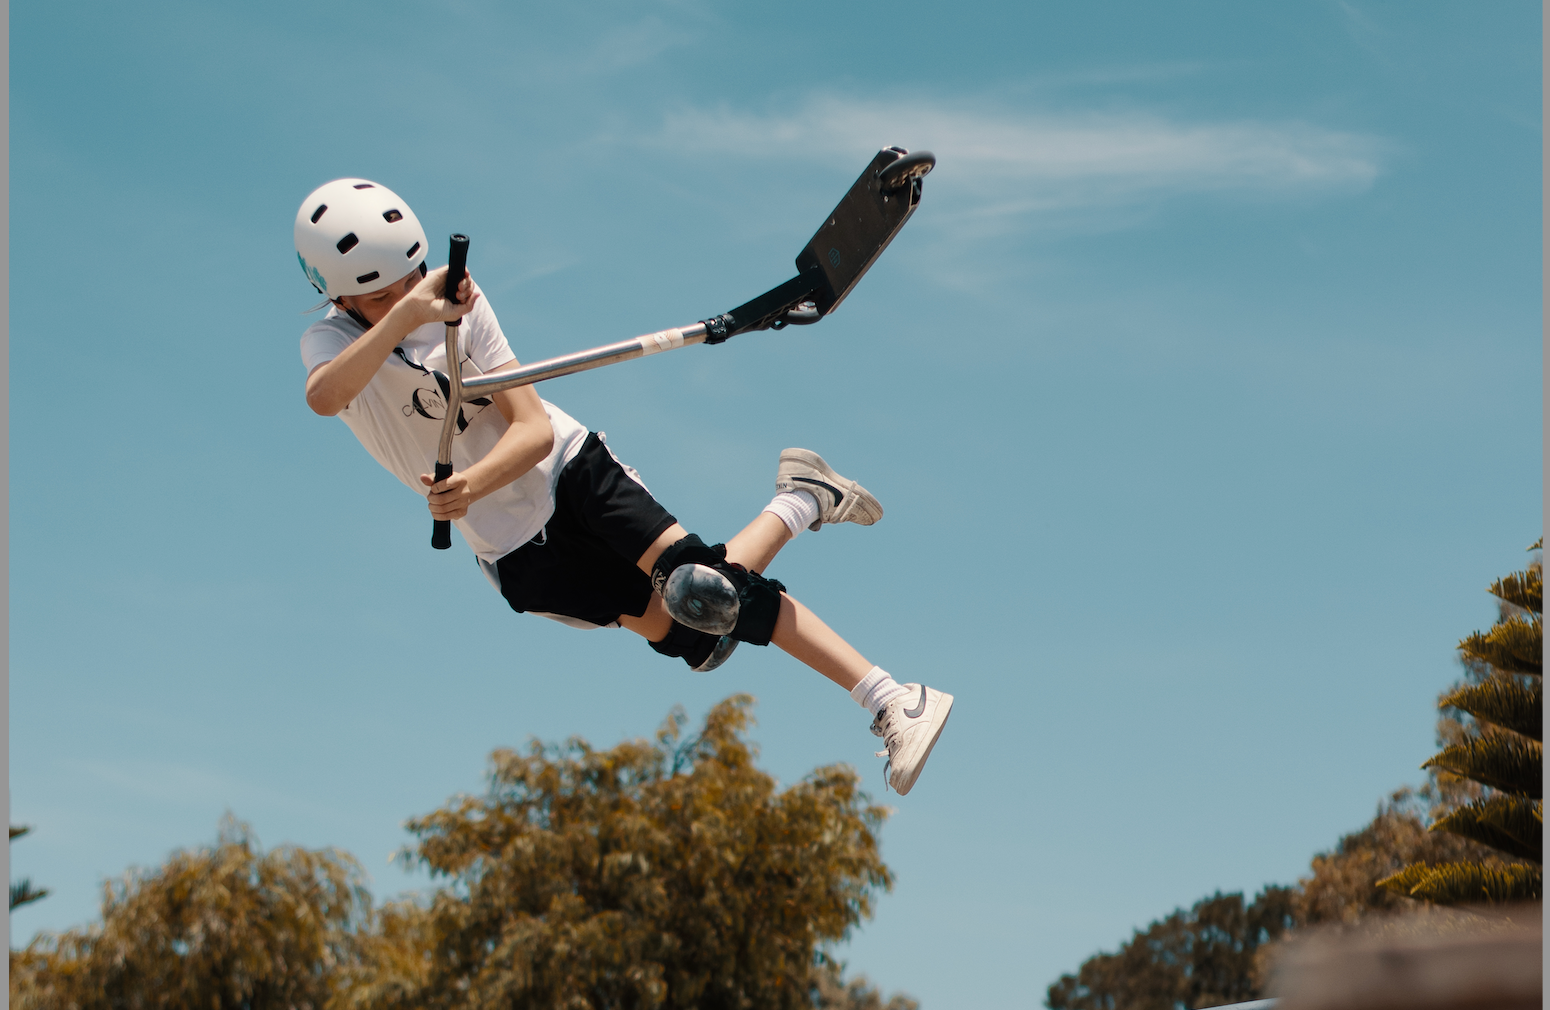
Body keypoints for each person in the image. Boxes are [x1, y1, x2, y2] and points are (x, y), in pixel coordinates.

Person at [295, 178, 952, 794]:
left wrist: (467, 482)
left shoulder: (461, 302)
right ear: (341, 297)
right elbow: (326, 397)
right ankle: (801, 497)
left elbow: (531, 433)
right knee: (697, 637)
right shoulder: (327, 341)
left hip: (568, 471)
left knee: (705, 592)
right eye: (381, 294)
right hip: (515, 550)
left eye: (414, 275)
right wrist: (407, 311)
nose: (410, 293)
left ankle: (891, 697)